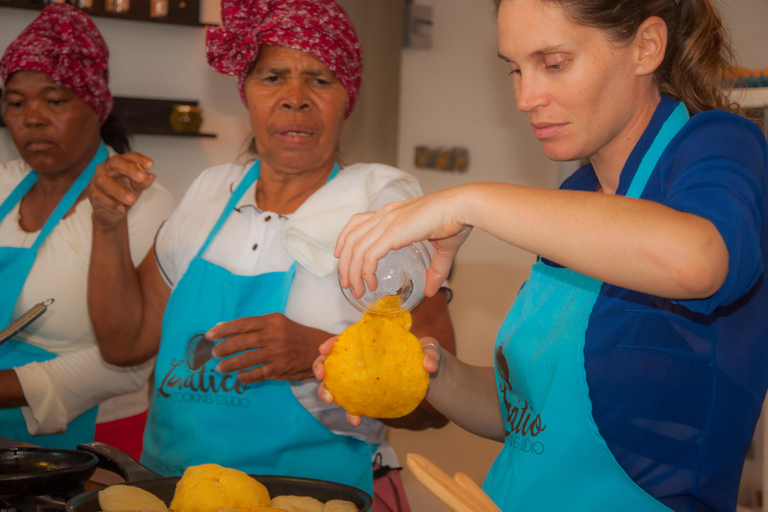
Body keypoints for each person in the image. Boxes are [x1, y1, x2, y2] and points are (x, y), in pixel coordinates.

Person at [323, 0, 768, 510]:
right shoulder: (577, 197)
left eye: (553, 63)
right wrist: (426, 372)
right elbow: (528, 415)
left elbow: (699, 260)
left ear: (646, 47)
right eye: (514, 69)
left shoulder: (719, 145)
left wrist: (468, 199)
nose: (525, 97)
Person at [87, 0, 455, 508]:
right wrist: (106, 225)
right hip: (171, 492)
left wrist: (321, 357)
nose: (295, 99)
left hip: (312, 499)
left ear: (347, 95)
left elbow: (436, 405)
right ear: (246, 92)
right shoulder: (209, 194)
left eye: (320, 79)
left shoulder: (380, 214)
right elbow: (123, 343)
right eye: (272, 76)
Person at [0, 4, 175, 457]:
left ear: (96, 106)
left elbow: (129, 366)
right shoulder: (4, 182)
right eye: (16, 103)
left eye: (54, 101)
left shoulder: (141, 201)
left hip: (98, 443)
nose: (32, 118)